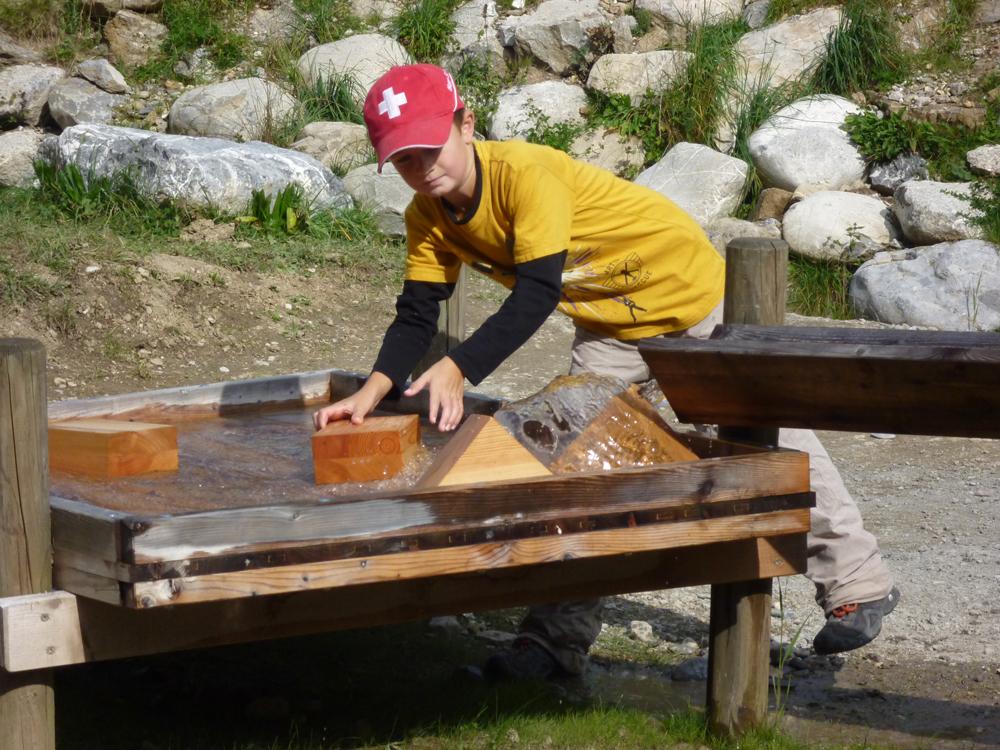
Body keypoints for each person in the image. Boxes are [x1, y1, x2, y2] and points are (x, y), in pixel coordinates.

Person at [313, 63, 900, 680]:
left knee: (766, 435)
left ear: (466, 124)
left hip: (692, 296)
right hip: (610, 324)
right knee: (579, 461)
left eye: (430, 148)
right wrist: (373, 391)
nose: (422, 168)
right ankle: (555, 640)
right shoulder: (427, 216)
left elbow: (537, 293)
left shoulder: (524, 175)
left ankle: (858, 584)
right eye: (404, 159)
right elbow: (416, 312)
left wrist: (459, 367)